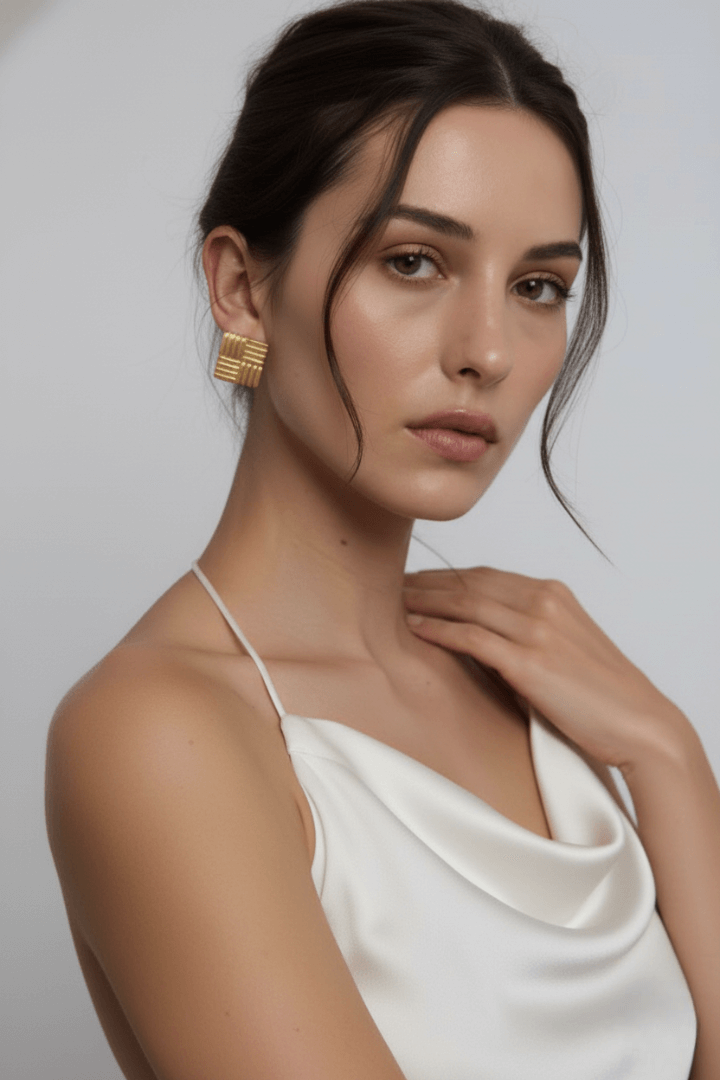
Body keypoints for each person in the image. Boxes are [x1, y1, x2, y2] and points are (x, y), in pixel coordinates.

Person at [44, 1, 719, 1077]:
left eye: (539, 286)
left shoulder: (535, 686)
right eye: (413, 262)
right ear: (241, 286)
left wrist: (671, 760)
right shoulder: (160, 733)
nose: (488, 351)